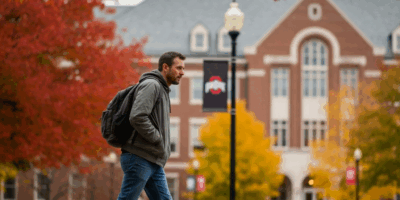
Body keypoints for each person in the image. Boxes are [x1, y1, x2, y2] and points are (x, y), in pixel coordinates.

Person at [117, 52, 185, 200]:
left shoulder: (162, 90)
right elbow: (137, 116)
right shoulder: (152, 86)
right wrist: (157, 138)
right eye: (178, 68)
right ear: (165, 67)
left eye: (183, 68)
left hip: (153, 159)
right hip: (140, 156)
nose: (182, 72)